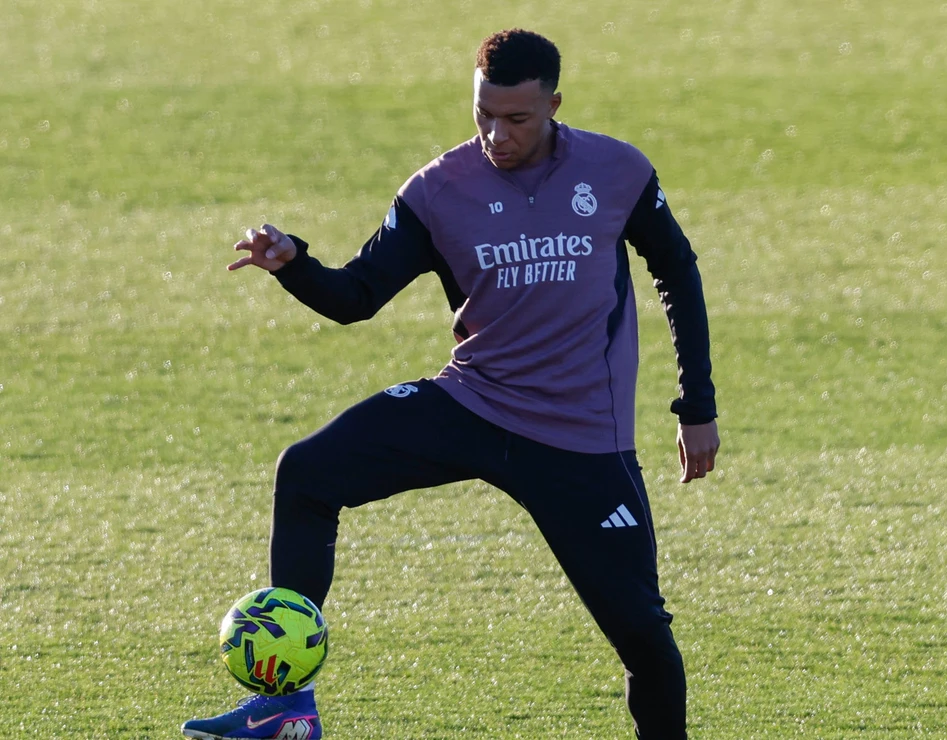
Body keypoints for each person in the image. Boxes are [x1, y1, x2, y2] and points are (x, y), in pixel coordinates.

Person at [182, 28, 718, 740]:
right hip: (473, 402)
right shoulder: (439, 190)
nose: (497, 133)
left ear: (554, 104)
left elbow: (676, 270)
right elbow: (357, 296)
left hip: (581, 439)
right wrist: (293, 264)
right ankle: (288, 709)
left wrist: (697, 406)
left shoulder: (617, 171)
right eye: (483, 114)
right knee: (307, 473)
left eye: (517, 118)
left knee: (644, 639)